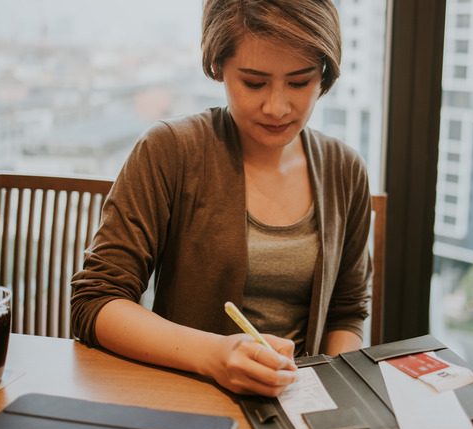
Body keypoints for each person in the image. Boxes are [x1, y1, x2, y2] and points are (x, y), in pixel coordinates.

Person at [71, 0, 372, 397]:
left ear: (324, 75)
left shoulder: (344, 169)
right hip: (190, 398)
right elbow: (96, 301)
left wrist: (336, 398)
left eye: (300, 82)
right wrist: (212, 354)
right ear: (218, 67)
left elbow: (348, 312)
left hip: (295, 405)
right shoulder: (171, 151)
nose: (277, 107)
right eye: (253, 82)